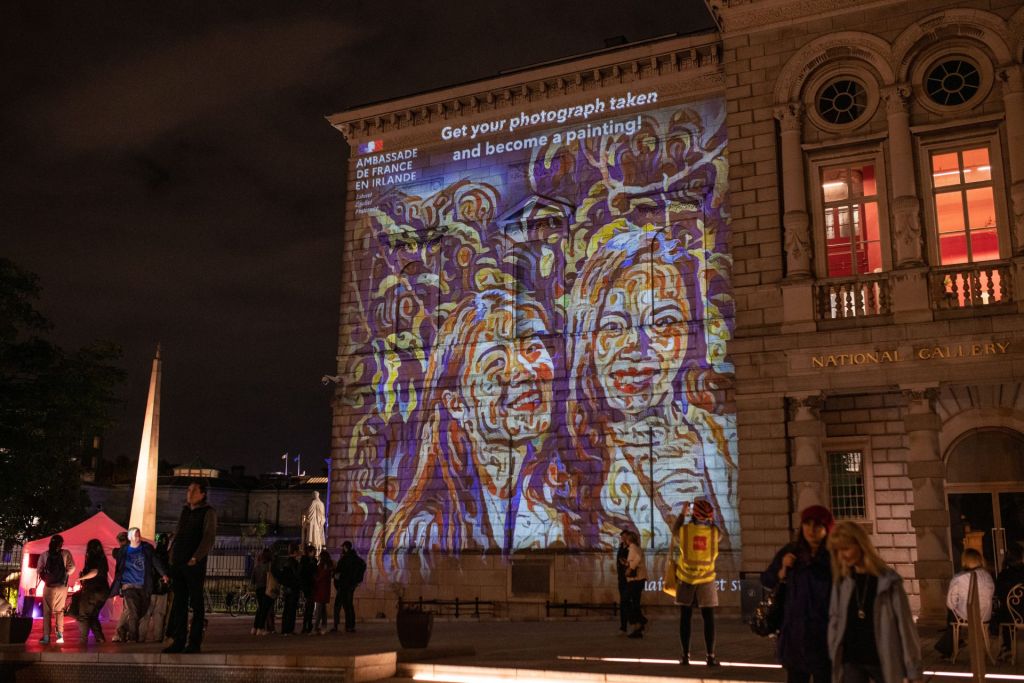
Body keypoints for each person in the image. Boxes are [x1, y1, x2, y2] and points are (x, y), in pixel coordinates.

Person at [373, 290, 573, 576]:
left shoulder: (569, 496)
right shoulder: (424, 533)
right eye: (495, 364)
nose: (525, 371)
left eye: (531, 349)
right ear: (456, 404)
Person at [566, 229, 738, 550]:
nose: (637, 346)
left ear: (691, 338)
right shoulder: (564, 469)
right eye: (614, 326)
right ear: (587, 341)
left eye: (662, 322)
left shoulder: (721, 439)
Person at [827, 521, 922, 683]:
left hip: (882, 659)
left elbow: (905, 627)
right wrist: (834, 649)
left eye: (846, 548)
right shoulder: (843, 582)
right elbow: (835, 619)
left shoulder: (888, 581)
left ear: (861, 545)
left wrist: (912, 669)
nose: (841, 555)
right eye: (837, 551)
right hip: (851, 660)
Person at [762, 505, 835, 683]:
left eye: (817, 525)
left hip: (824, 635)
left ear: (827, 529)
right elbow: (767, 580)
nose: (811, 530)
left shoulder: (834, 556)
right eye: (807, 524)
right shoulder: (791, 552)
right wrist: (782, 571)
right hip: (795, 634)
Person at [164, 480, 217, 653]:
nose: (190, 493)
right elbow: (178, 533)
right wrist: (172, 556)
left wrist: (196, 557)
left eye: (194, 490)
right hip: (178, 562)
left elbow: (208, 537)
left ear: (202, 494)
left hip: (193, 564)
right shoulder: (185, 511)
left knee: (196, 602)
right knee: (179, 603)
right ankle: (178, 640)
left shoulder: (208, 512)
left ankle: (194, 642)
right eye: (188, 490)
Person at [671, 499, 721, 665]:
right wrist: (710, 520)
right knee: (709, 619)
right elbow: (719, 532)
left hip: (686, 579)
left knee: (685, 618)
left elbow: (674, 531)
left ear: (693, 513)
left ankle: (685, 656)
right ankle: (710, 656)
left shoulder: (685, 531)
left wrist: (682, 514)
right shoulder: (714, 534)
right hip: (706, 580)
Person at [109, 527, 170, 643]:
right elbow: (117, 561)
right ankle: (133, 638)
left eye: (138, 534)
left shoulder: (146, 548)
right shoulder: (123, 550)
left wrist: (164, 574)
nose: (137, 537)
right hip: (128, 585)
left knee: (142, 611)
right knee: (133, 612)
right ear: (129, 537)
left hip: (143, 586)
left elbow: (155, 561)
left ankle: (124, 628)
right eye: (135, 535)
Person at [935, 548, 995, 659]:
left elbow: (950, 603)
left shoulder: (959, 578)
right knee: (953, 614)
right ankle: (954, 643)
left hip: (968, 615)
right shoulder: (988, 576)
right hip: (985, 616)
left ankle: (951, 645)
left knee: (951, 613)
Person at [35, 534, 76, 645]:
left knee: (47, 612)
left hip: (48, 587)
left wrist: (47, 578)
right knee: (59, 611)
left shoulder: (44, 555)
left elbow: (39, 569)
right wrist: (64, 575)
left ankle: (46, 637)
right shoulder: (66, 553)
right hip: (61, 587)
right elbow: (72, 568)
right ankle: (59, 636)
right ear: (61, 543)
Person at [74, 539, 110, 645]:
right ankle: (100, 638)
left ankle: (83, 640)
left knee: (84, 615)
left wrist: (81, 578)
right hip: (103, 591)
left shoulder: (92, 557)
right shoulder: (103, 558)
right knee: (93, 615)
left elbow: (94, 572)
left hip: (93, 590)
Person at [138, 533, 172, 642]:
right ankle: (157, 637)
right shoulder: (169, 556)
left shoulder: (150, 554)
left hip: (150, 588)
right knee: (160, 614)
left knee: (146, 613)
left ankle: (141, 637)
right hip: (163, 589)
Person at [995, 544, 1024, 659]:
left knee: (1005, 611)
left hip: (1011, 616)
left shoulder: (1003, 575)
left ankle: (1007, 646)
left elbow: (999, 596)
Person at [332, 541, 366, 633]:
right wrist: (357, 580)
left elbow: (339, 570)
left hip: (343, 585)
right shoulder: (355, 558)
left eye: (343, 547)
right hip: (351, 585)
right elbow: (363, 565)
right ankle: (350, 625)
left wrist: (336, 574)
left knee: (339, 605)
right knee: (349, 605)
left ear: (345, 547)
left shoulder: (345, 558)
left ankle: (338, 626)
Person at [623, 530, 648, 639]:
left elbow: (636, 558)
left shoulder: (633, 548)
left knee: (626, 600)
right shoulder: (636, 548)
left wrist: (630, 568)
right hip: (639, 579)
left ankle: (639, 620)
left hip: (635, 580)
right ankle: (639, 625)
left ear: (629, 540)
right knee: (635, 602)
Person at [273, 542, 302, 635]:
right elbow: (296, 576)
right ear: (295, 552)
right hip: (293, 589)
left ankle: (285, 629)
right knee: (291, 610)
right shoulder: (293, 563)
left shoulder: (286, 562)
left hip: (287, 589)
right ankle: (289, 629)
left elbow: (282, 576)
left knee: (287, 609)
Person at [251, 548, 274, 635]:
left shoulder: (257, 566)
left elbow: (252, 580)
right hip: (266, 588)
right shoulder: (269, 566)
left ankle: (255, 627)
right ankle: (260, 628)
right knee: (264, 609)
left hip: (258, 589)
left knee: (260, 608)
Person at [312, 549, 334, 634]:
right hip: (325, 589)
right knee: (323, 610)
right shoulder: (328, 565)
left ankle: (315, 628)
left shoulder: (323, 565)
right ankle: (323, 627)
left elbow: (320, 576)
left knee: (318, 610)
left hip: (320, 589)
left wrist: (315, 578)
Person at [299, 544, 317, 634]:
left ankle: (308, 625)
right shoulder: (305, 560)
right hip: (307, 586)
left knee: (310, 606)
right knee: (308, 606)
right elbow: (303, 573)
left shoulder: (314, 560)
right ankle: (306, 625)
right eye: (313, 551)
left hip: (312, 586)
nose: (314, 553)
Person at [616, 532, 630, 635]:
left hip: (629, 579)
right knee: (623, 603)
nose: (623, 539)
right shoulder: (621, 547)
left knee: (626, 602)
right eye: (622, 537)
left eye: (625, 537)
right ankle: (623, 626)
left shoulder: (630, 548)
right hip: (621, 578)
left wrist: (624, 563)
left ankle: (635, 623)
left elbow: (632, 562)